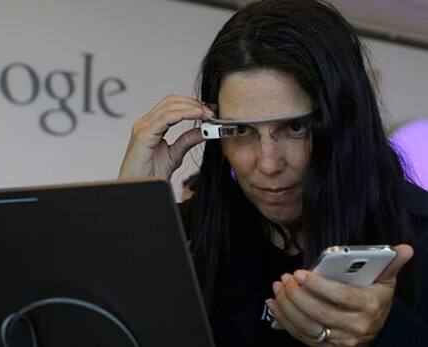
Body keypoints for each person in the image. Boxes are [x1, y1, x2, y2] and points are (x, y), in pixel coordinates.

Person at [118, 0, 428, 346]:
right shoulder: (189, 236)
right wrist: (133, 205)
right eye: (241, 130)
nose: (268, 164)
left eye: (295, 127)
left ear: (343, 122)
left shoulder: (420, 232)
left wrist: (387, 334)